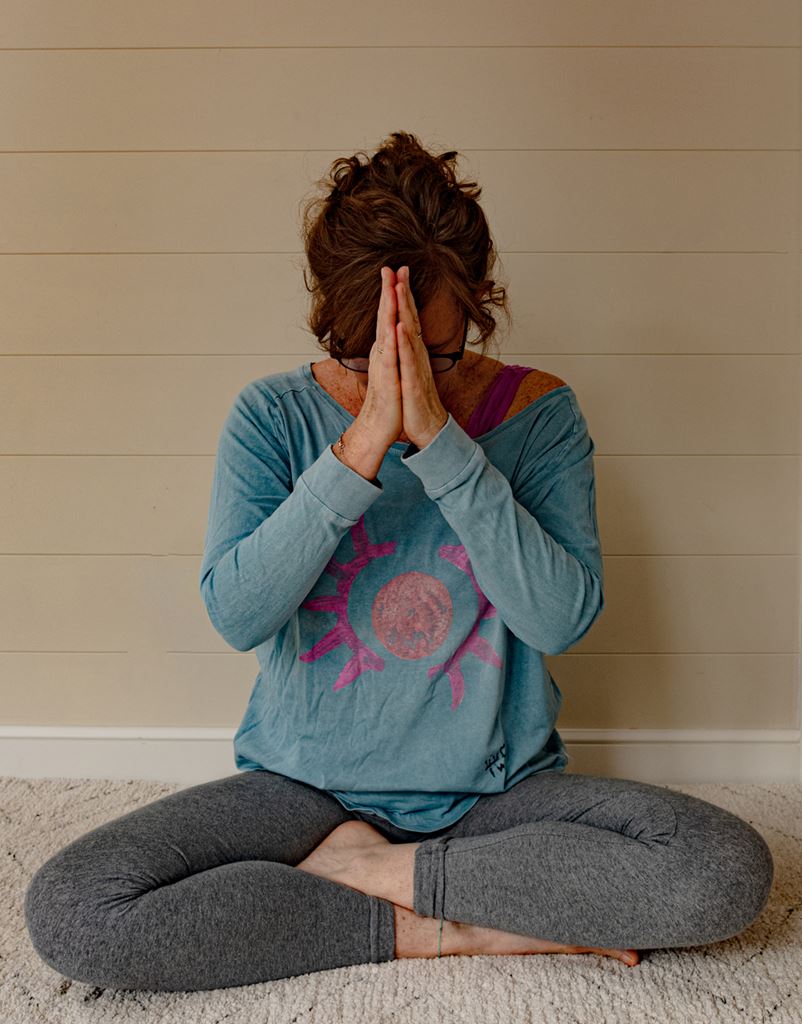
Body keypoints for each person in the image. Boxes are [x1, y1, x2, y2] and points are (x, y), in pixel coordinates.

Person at [23, 131, 774, 993]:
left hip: (495, 799)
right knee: (77, 910)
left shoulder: (540, 414)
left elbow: (559, 620)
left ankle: (373, 874)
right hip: (304, 795)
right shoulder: (272, 417)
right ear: (330, 319)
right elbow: (237, 614)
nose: (403, 370)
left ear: (479, 307)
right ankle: (446, 927)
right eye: (364, 353)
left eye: (436, 353)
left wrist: (443, 445)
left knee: (722, 871)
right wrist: (360, 448)